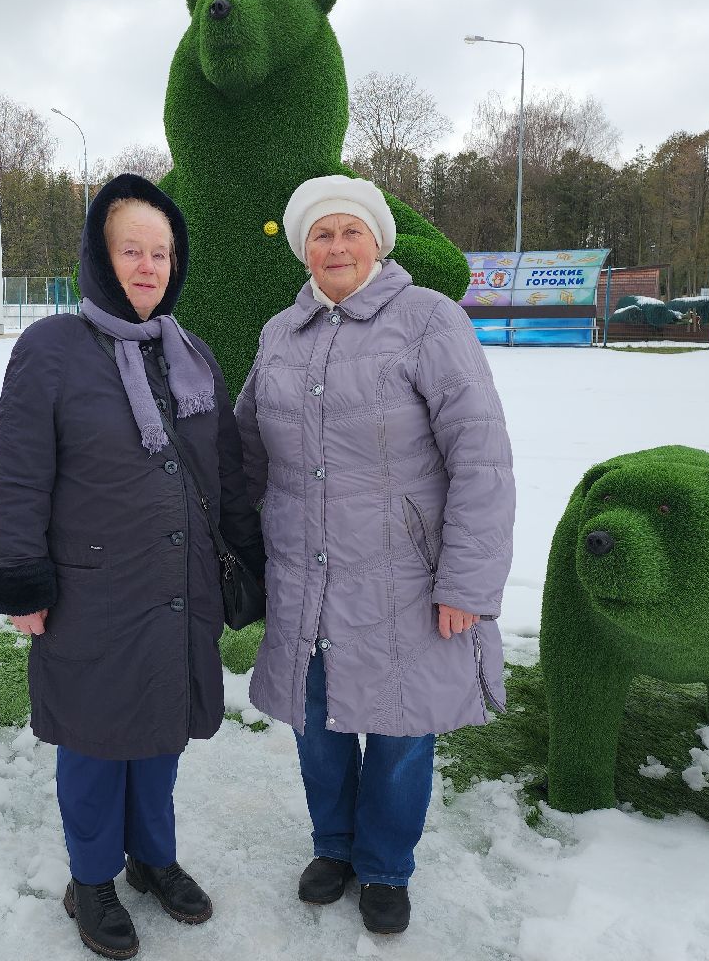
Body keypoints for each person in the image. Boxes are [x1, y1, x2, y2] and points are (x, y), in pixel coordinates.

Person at [0, 173, 265, 960]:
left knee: (159, 732)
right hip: (90, 590)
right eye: (133, 251)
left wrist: (249, 556)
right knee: (96, 740)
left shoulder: (192, 353)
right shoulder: (51, 349)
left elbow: (226, 474)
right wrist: (22, 576)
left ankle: (151, 859)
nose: (150, 267)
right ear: (101, 258)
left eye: (162, 253)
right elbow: (18, 474)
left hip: (181, 590)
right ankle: (92, 878)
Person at [234, 175, 516, 936]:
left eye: (350, 232)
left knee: (398, 731)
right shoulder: (278, 334)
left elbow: (482, 459)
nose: (335, 247)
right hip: (306, 575)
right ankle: (334, 848)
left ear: (378, 241)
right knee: (317, 724)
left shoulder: (429, 321)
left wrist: (467, 581)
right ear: (302, 250)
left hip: (406, 580)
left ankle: (386, 865)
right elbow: (246, 454)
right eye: (320, 235)